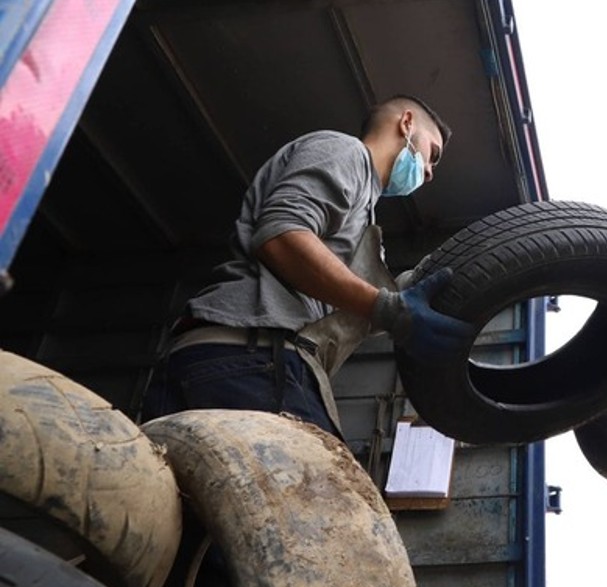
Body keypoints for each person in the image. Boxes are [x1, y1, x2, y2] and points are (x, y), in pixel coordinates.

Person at [142, 94, 473, 437]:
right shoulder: (346, 152)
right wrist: (388, 308)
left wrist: (412, 292)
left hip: (244, 359)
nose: (431, 173)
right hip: (246, 354)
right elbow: (281, 235)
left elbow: (357, 309)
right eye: (433, 154)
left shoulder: (365, 217)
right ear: (406, 123)